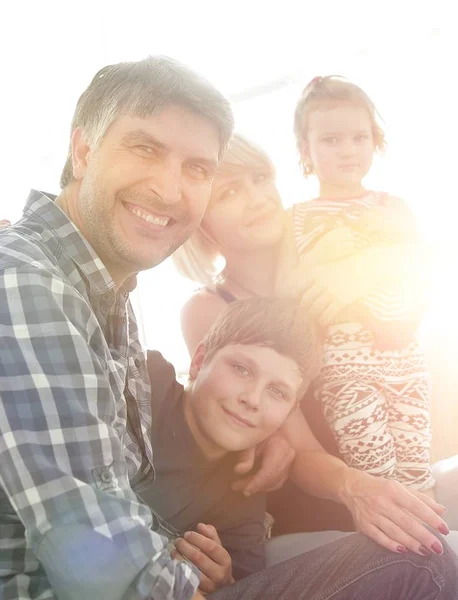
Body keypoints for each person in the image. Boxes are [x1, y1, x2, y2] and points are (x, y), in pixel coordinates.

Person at [0, 56, 457, 600]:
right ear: (83, 150)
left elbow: (121, 503)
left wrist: (366, 269)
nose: (169, 189)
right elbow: (101, 549)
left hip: (203, 547)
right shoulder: (36, 286)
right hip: (270, 525)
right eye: (145, 148)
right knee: (423, 563)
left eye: (197, 169)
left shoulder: (110, 300)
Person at [173, 133, 457, 545]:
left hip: (396, 477)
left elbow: (412, 292)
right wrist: (361, 490)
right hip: (323, 510)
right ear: (202, 225)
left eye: (260, 178)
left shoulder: (331, 262)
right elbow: (299, 449)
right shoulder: (210, 308)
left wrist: (370, 263)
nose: (258, 198)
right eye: (230, 192)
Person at [287, 75, 434, 494]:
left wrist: (397, 242)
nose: (348, 149)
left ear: (375, 141)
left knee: (416, 472)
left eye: (359, 137)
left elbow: (425, 274)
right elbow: (285, 291)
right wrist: (325, 257)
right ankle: (397, 556)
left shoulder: (396, 207)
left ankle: (433, 556)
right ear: (306, 150)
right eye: (331, 140)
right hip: (344, 368)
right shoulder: (295, 217)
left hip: (404, 358)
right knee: (377, 477)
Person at [142, 296, 323, 592]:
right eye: (241, 369)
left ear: (289, 412)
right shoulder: (146, 382)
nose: (252, 399)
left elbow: (241, 582)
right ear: (200, 361)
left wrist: (222, 579)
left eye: (276, 392)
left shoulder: (244, 496)